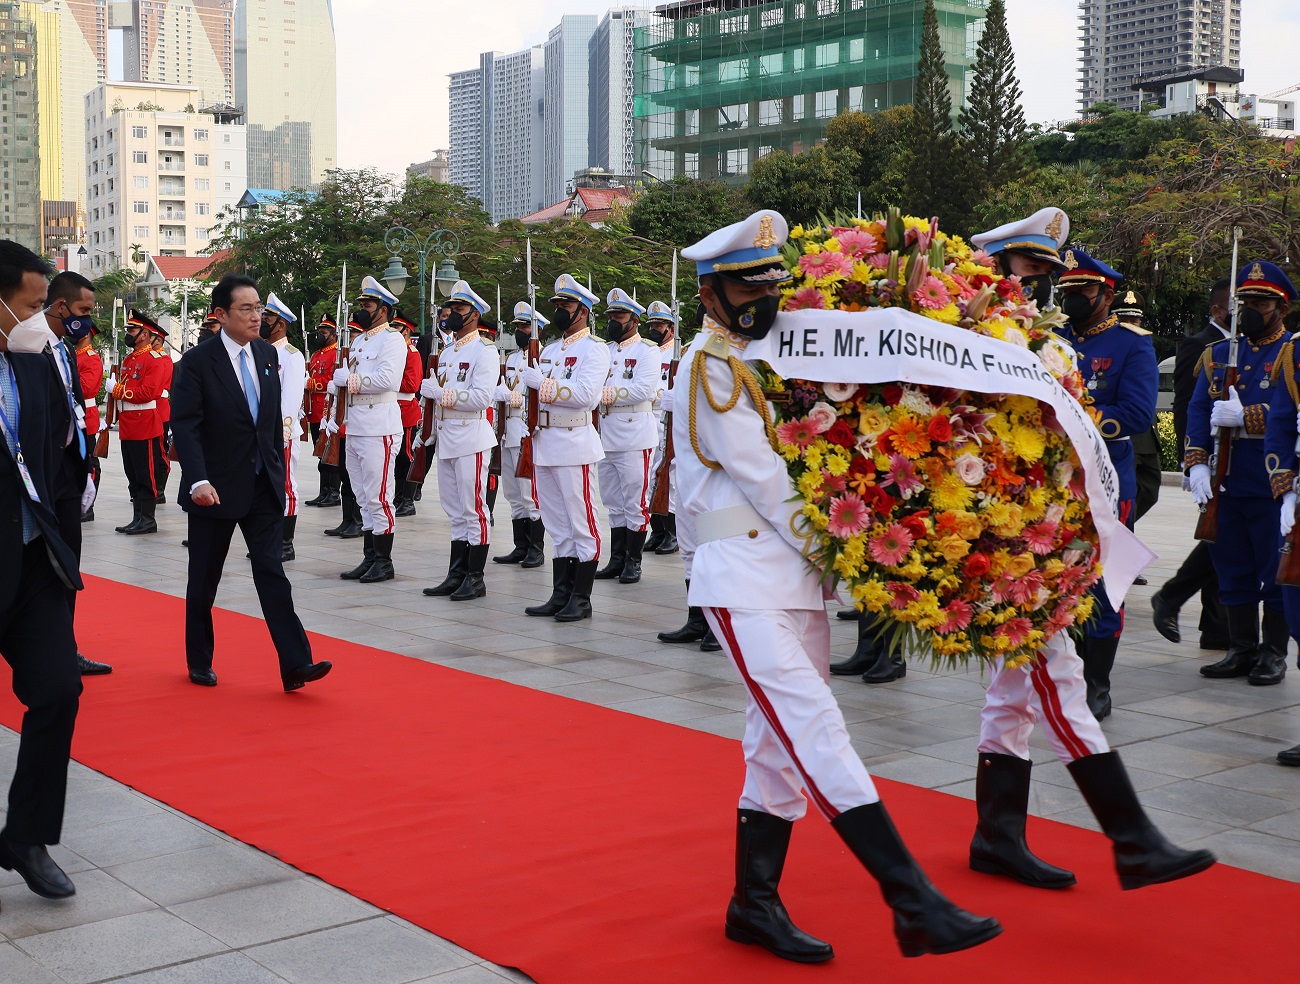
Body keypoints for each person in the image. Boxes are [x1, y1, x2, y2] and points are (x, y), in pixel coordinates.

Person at [674, 211, 1002, 961]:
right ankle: (911, 899)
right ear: (710, 292)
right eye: (744, 285)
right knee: (813, 726)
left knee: (777, 747)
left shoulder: (767, 355)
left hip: (795, 578)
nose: (761, 296)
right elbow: (762, 480)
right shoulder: (710, 365)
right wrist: (851, 553)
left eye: (768, 282)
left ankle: (752, 904)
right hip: (744, 576)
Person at [959, 219, 1212, 895]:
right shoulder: (989, 338)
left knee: (1015, 693)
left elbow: (1113, 415)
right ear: (998, 272)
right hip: (1017, 523)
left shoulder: (1061, 341)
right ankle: (1133, 841)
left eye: (1048, 275)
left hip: (1069, 506)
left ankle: (998, 836)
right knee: (1053, 679)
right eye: (1032, 273)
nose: (1043, 288)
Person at [170, 274, 331, 692]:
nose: (257, 316)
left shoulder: (266, 355)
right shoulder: (197, 363)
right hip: (215, 489)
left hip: (262, 484)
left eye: (259, 307)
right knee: (204, 579)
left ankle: (296, 664)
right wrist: (197, 479)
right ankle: (199, 659)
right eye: (246, 308)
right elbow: (186, 427)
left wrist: (277, 471)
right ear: (220, 315)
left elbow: (269, 420)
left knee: (271, 571)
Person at [0, 239, 86, 900]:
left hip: (30, 560)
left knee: (57, 690)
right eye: (29, 306)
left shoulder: (31, 365)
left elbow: (54, 456)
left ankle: (26, 836)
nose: (40, 320)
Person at [1059, 249, 1158, 719]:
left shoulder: (1131, 344)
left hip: (1106, 484)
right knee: (1058, 585)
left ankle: (1097, 683)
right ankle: (1065, 676)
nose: (1075, 298)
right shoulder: (1052, 337)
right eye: (1069, 291)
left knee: (1101, 589)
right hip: (1055, 483)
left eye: (1084, 290)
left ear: (1106, 293)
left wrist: (1078, 417)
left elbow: (1137, 413)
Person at [1187, 261, 1293, 686]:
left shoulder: (1291, 352)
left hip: (1271, 480)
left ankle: (1273, 653)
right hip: (1225, 478)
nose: (1249, 310)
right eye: (1244, 302)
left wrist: (1249, 416)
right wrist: (1195, 461)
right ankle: (1241, 647)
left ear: (1280, 308)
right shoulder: (1217, 355)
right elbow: (1197, 409)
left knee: (1274, 569)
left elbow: (1293, 413)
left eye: (1259, 303)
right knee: (1232, 567)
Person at [520, 275, 610, 622]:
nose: (560, 312)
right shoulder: (550, 349)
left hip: (574, 443)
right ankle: (561, 593)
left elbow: (587, 396)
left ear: (583, 311)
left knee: (581, 522)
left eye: (566, 306)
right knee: (557, 523)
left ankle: (582, 598)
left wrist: (543, 385)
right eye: (557, 306)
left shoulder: (596, 349)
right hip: (545, 442)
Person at [1151, 279, 1233, 649]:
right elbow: (1186, 404)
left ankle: (1218, 628)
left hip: (1240, 460)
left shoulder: (1247, 349)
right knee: (1221, 537)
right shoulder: (1199, 345)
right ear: (1217, 310)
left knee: (1226, 539)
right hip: (1212, 462)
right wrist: (1191, 460)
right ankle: (1186, 607)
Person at [42, 272, 112, 676]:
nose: (87, 321)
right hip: (37, 476)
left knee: (68, 566)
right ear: (61, 306)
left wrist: (84, 469)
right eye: (84, 311)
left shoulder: (68, 351)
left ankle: (65, 647)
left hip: (68, 475)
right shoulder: (28, 349)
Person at [420, 281, 499, 601]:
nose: (452, 314)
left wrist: (442, 394)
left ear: (475, 314)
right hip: (448, 436)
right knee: (453, 509)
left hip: (471, 435)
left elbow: (481, 397)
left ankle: (475, 577)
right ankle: (456, 573)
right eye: (451, 308)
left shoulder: (486, 351)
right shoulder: (449, 351)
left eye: (460, 309)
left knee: (473, 509)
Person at [331, 278, 407, 583]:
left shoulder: (392, 340)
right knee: (362, 495)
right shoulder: (360, 341)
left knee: (379, 496)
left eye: (367, 306)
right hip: (357, 424)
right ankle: (369, 557)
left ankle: (384, 561)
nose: (362, 311)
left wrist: (348, 380)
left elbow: (388, 379)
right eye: (361, 305)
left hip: (380, 425)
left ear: (383, 310)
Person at [594, 288, 660, 585]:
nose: (613, 321)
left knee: (635, 502)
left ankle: (633, 562)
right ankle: (617, 558)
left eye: (618, 316)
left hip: (635, 436)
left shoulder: (647, 350)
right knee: (613, 501)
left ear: (633, 319)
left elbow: (643, 391)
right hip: (605, 435)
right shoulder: (604, 350)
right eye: (610, 316)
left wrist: (602, 394)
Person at [492, 302, 547, 568]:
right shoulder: (512, 358)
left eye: (525, 327)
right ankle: (520, 545)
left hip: (526, 430)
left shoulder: (543, 358)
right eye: (517, 327)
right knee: (512, 494)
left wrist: (511, 397)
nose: (520, 332)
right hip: (507, 431)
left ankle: (536, 548)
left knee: (529, 494)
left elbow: (540, 396)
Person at [111, 310, 170, 535]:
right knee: (132, 473)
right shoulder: (130, 358)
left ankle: (148, 519)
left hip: (144, 422)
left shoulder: (153, 360)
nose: (129, 334)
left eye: (132, 330)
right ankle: (137, 517)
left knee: (146, 474)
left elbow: (148, 392)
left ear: (145, 334)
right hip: (128, 423)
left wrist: (117, 390)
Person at [1114, 289, 1162, 550]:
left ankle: (1120, 541)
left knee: (1149, 488)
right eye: (1124, 320)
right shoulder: (1110, 346)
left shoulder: (1143, 345)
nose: (1131, 325)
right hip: (1120, 434)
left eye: (1135, 320)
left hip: (1143, 434)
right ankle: (1123, 556)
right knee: (1124, 497)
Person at [261, 293, 306, 562]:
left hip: (282, 433)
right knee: (265, 488)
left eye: (268, 318)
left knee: (286, 485)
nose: (263, 321)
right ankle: (269, 538)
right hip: (262, 431)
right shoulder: (260, 350)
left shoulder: (291, 356)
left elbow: (290, 399)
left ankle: (285, 543)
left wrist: (284, 433)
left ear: (281, 324)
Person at [643, 300, 679, 555]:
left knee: (670, 476)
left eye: (660, 325)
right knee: (649, 477)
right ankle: (656, 530)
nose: (655, 329)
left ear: (671, 328)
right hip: (647, 417)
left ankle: (672, 532)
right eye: (652, 324)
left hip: (668, 419)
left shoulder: (678, 353)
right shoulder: (649, 352)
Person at [303, 314, 342, 507]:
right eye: (319, 332)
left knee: (330, 453)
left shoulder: (336, 354)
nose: (320, 335)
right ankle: (324, 491)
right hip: (314, 411)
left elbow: (330, 382)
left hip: (326, 410)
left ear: (334, 335)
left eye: (324, 332)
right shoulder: (317, 354)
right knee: (320, 453)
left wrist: (310, 383)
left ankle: (334, 492)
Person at [389, 315, 423, 517]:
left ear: (407, 330)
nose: (393, 330)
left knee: (406, 456)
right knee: (397, 457)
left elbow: (412, 385)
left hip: (406, 410)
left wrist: (387, 382)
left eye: (397, 327)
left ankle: (408, 500)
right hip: (394, 407)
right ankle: (399, 496)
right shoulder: (396, 351)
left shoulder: (412, 353)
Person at [150, 330, 174, 504]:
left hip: (160, 409)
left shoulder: (163, 360)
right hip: (151, 409)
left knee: (160, 451)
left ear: (158, 340)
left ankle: (160, 488)